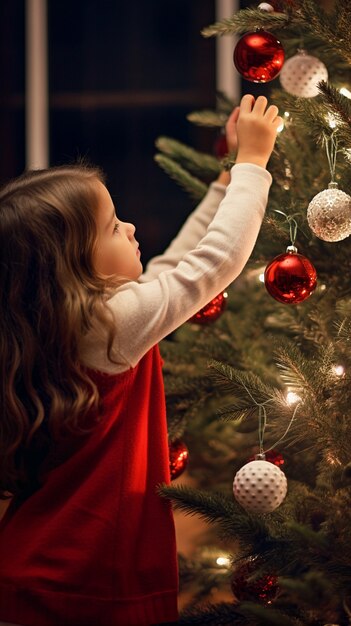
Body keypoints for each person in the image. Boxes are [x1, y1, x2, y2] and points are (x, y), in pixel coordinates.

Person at [0, 94, 282, 626]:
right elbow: (211, 264)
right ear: (72, 267)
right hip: (86, 584)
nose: (129, 229)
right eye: (112, 227)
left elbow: (173, 266)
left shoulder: (67, 326)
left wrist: (221, 188)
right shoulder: (111, 326)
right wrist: (252, 164)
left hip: (31, 571)